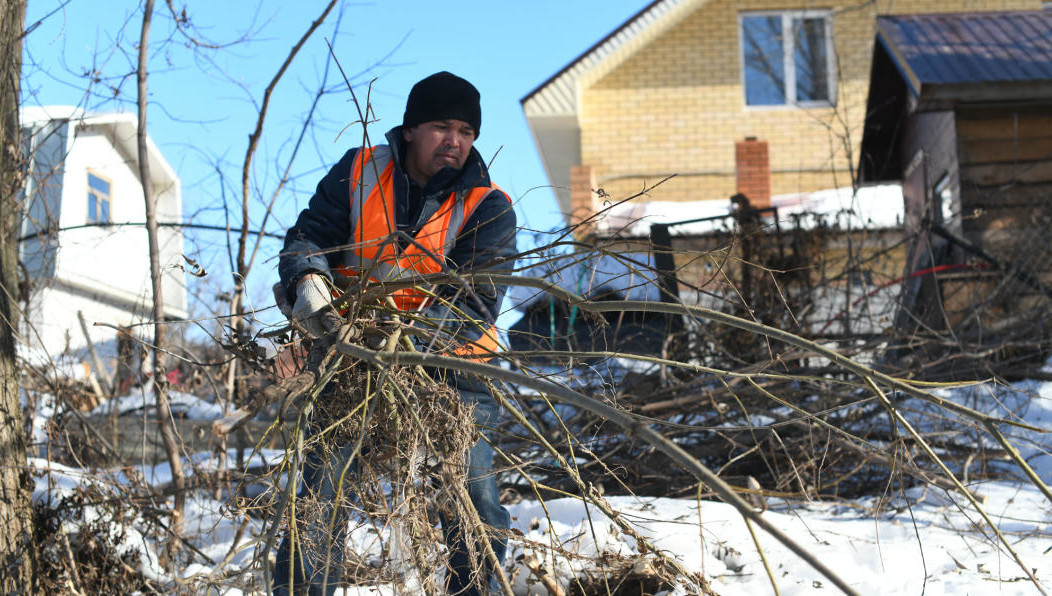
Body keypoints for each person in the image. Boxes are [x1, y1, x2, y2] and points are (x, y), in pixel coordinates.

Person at [274, 71, 517, 595]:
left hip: (459, 370)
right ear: (409, 129)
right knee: (321, 491)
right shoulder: (360, 169)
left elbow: (473, 306)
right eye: (440, 126)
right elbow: (307, 236)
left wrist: (394, 345)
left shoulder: (489, 206)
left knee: (472, 495)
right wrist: (308, 280)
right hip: (348, 359)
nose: (454, 140)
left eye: (466, 132)